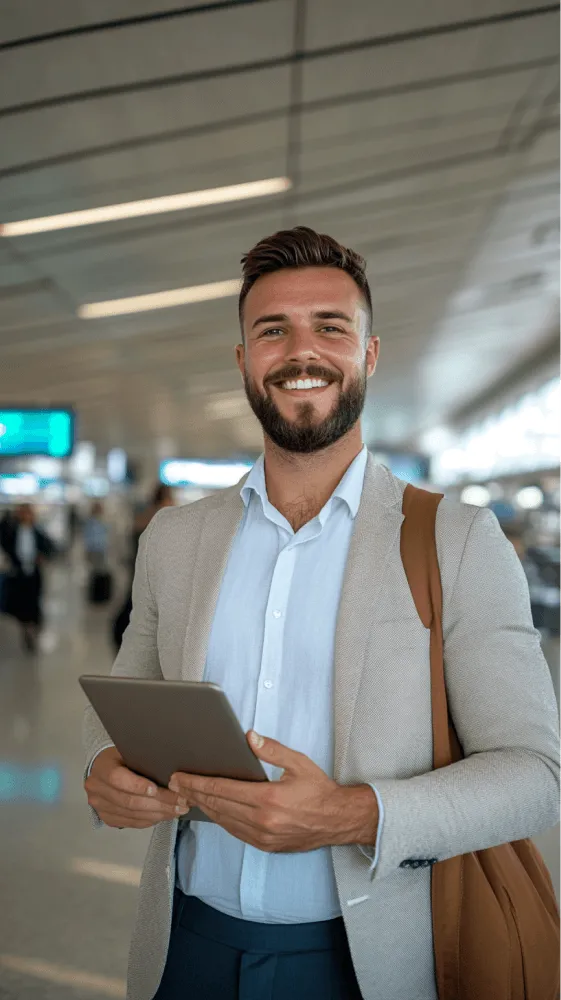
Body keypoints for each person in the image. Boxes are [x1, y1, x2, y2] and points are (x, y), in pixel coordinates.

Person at [83, 227, 561, 1000]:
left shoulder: (455, 539)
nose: (300, 352)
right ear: (243, 361)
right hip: (185, 944)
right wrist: (103, 771)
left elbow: (535, 776)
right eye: (272, 330)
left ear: (369, 354)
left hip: (367, 954)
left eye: (330, 327)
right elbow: (124, 701)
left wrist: (351, 816)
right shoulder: (176, 539)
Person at [111, 485, 174, 652]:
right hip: (152, 572)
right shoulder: (163, 518)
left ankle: (122, 640)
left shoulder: (143, 517)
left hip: (138, 568)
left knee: (134, 602)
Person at [0, 503, 56, 653]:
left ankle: (34, 625)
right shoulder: (12, 531)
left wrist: (42, 556)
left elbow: (48, 547)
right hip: (18, 574)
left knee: (34, 601)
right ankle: (26, 629)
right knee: (21, 603)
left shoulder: (37, 532)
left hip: (34, 573)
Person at [82, 502, 110, 567]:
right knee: (93, 569)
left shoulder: (102, 523)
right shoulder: (90, 523)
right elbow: (87, 537)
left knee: (100, 568)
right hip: (92, 550)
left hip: (100, 550)